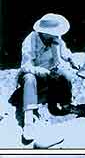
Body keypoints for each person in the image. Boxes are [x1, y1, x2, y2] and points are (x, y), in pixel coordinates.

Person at [11, 13, 77, 142]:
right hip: (33, 73)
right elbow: (26, 66)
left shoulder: (56, 39)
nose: (56, 35)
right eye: (53, 32)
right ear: (44, 32)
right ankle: (29, 121)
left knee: (66, 75)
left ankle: (66, 104)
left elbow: (65, 52)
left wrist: (71, 59)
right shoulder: (30, 40)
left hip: (51, 74)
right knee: (29, 78)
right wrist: (41, 71)